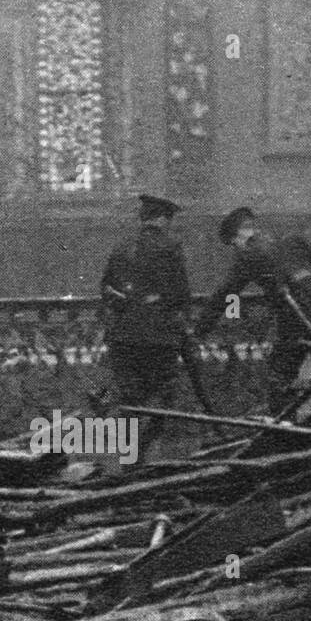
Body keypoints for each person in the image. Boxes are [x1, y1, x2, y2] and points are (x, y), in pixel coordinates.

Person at [197, 207, 311, 404]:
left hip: (297, 322)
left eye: (234, 244)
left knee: (278, 376)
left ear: (238, 237)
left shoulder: (248, 257)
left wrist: (200, 330)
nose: (236, 249)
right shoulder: (293, 241)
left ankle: (284, 429)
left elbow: (225, 295)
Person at [100, 194, 192, 463]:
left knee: (130, 402)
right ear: (163, 219)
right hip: (159, 339)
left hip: (124, 337)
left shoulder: (122, 247)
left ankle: (130, 460)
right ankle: (142, 452)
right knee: (165, 401)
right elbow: (180, 294)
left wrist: (127, 306)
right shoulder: (171, 246)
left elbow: (106, 288)